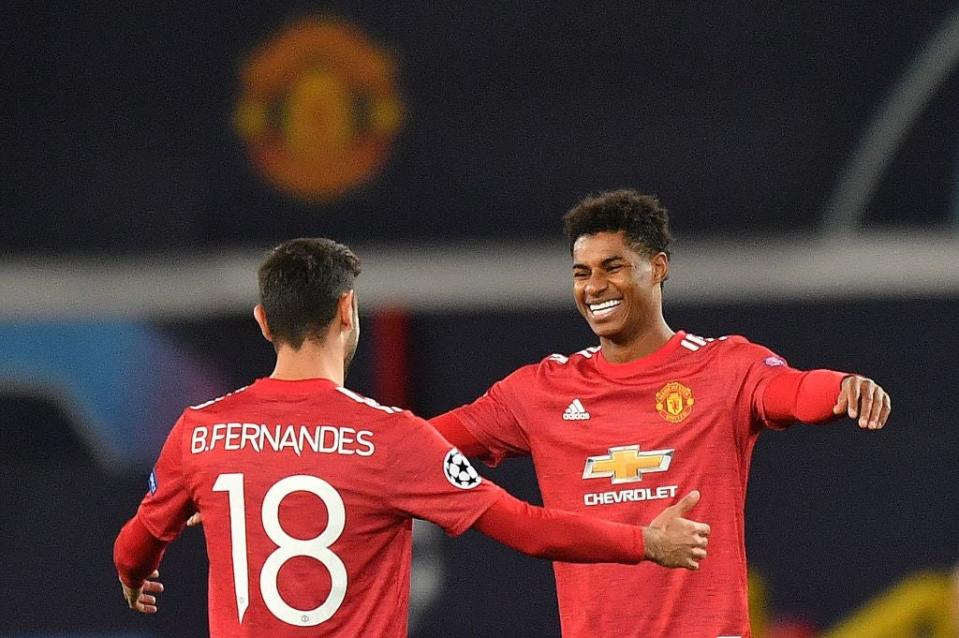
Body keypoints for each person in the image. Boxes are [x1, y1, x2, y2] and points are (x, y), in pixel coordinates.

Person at [112, 237, 712, 637]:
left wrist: (137, 578)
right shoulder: (393, 437)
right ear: (348, 311)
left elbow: (132, 547)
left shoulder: (201, 433)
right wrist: (644, 542)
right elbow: (527, 528)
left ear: (264, 321)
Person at [429, 189, 892, 638]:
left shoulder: (722, 367)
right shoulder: (540, 391)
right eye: (581, 272)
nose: (594, 287)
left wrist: (842, 387)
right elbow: (421, 442)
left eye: (613, 267)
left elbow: (793, 391)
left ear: (657, 268)